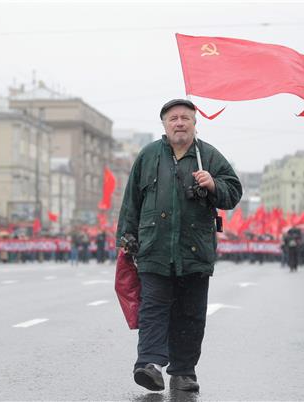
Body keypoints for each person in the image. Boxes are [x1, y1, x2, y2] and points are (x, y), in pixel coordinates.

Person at [116, 99, 242, 393]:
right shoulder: (148, 156)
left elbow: (233, 192)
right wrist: (126, 237)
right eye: (173, 118)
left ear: (195, 124)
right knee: (153, 309)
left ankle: (184, 371)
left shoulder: (208, 156)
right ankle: (149, 364)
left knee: (190, 314)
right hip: (153, 248)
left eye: (186, 117)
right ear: (164, 125)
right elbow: (131, 201)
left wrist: (213, 184)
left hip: (195, 250)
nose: (180, 122)